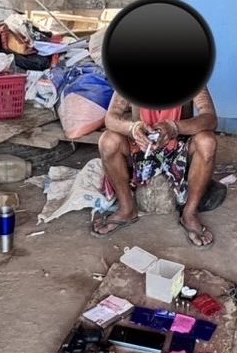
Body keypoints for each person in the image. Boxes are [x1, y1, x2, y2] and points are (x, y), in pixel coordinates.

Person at [92, 88, 221, 248]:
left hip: (179, 146)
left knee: (207, 142)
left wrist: (175, 127)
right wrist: (133, 129)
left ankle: (189, 213)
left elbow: (210, 118)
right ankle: (127, 209)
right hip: (141, 146)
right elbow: (111, 118)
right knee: (107, 141)